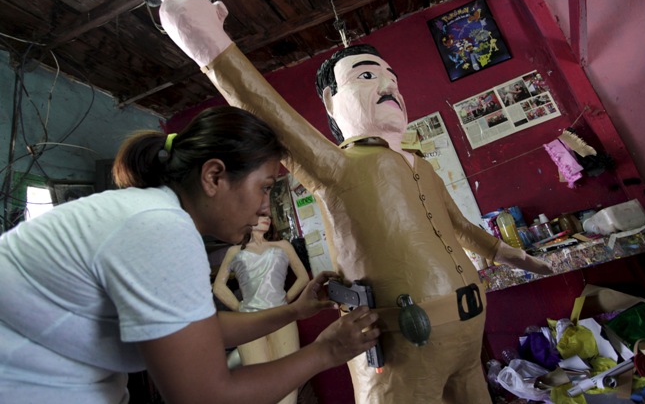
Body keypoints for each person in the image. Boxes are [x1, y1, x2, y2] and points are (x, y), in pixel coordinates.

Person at [144, 0, 553, 403]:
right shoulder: (338, 166)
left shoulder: (420, 165)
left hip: (469, 338)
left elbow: (455, 224)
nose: (388, 85)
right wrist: (210, 46)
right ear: (330, 103)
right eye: (365, 76)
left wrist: (499, 251)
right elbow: (269, 114)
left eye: (392, 79)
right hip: (401, 349)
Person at [0, 106, 380, 404]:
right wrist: (327, 352)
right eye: (264, 188)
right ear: (214, 177)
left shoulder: (153, 216)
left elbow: (201, 330)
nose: (266, 208)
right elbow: (205, 397)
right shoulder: (159, 228)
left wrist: (296, 310)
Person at [213, 215, 309, 404]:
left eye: (268, 216)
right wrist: (240, 308)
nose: (266, 218)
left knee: (288, 377)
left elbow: (303, 278)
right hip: (249, 321)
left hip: (281, 317)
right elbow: (218, 287)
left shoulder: (283, 246)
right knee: (259, 382)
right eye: (260, 215)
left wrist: (284, 301)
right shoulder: (234, 251)